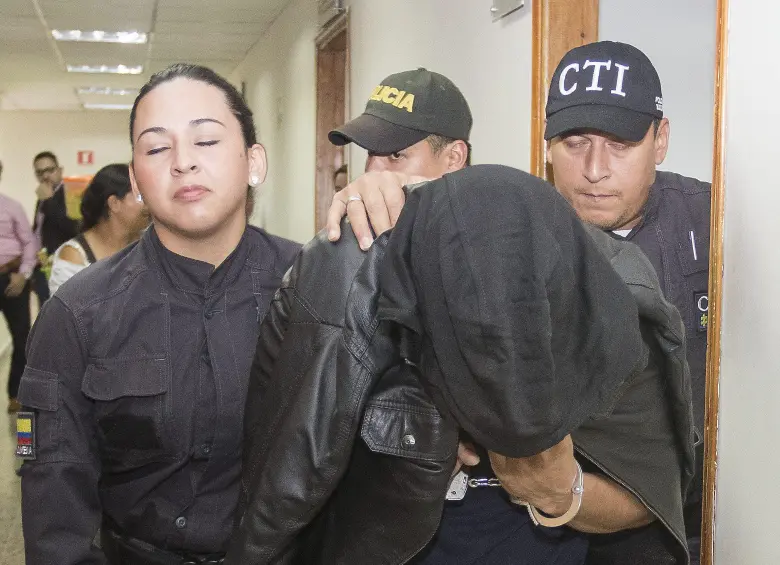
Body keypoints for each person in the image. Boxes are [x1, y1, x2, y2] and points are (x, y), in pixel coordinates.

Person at [231, 69, 691, 564]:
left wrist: (557, 490)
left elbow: (650, 487)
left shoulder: (606, 279)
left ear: (454, 159)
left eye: (397, 155)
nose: (377, 173)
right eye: (371, 156)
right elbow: (299, 453)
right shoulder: (354, 259)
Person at [18, 63, 302, 565]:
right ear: (137, 181)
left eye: (206, 141)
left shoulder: (314, 290)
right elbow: (56, 506)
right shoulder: (78, 315)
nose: (183, 163)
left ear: (254, 161)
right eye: (156, 148)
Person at [48, 163, 149, 295]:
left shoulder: (148, 243)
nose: (149, 204)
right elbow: (65, 313)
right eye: (140, 196)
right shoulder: (75, 256)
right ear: (114, 203)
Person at [0, 160, 38, 413]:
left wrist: (23, 274)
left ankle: (16, 394)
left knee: (21, 335)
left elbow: (29, 242)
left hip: (11, 279)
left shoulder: (12, 207)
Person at [31, 151, 80, 302]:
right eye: (40, 172)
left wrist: (50, 200)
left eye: (49, 170)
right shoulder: (43, 196)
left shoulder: (72, 193)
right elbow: (39, 229)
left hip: (64, 266)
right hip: (43, 266)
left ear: (60, 170)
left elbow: (73, 228)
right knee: (45, 316)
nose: (45, 176)